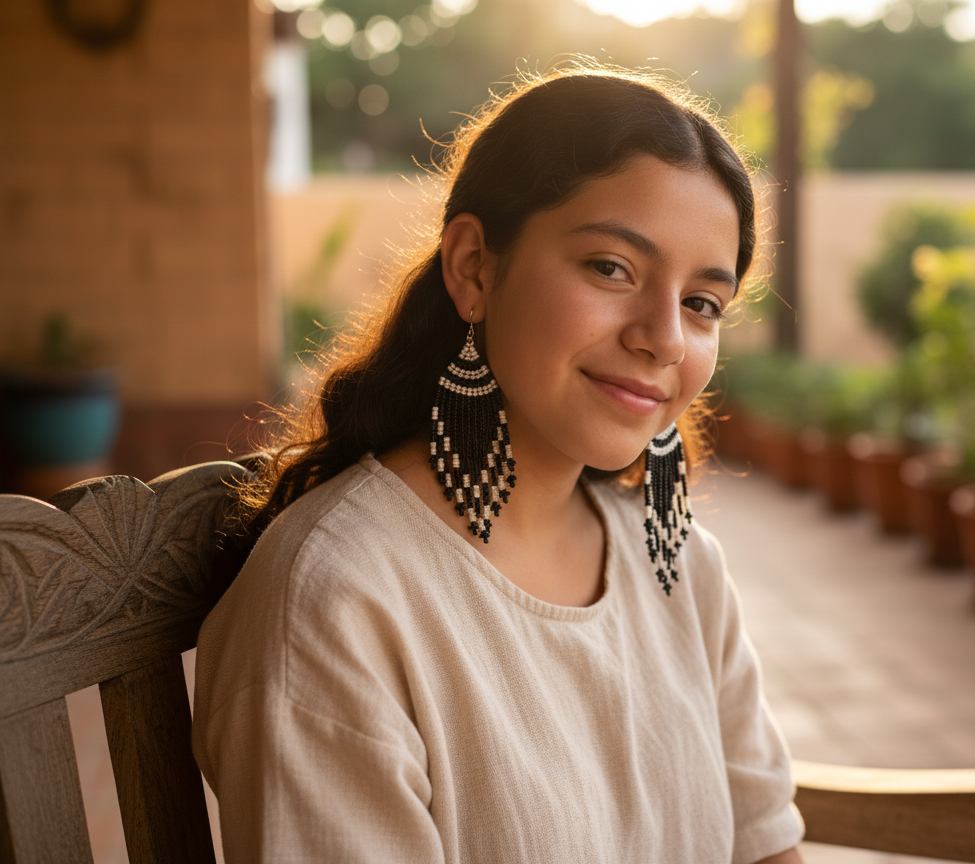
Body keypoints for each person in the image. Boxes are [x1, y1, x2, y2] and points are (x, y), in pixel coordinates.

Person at [192, 64, 807, 864]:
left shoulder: (682, 562)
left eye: (701, 304)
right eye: (611, 268)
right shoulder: (338, 601)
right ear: (474, 266)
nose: (663, 336)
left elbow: (764, 845)